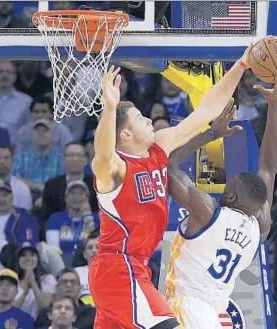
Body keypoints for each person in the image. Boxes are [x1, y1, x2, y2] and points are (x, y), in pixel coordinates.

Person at [89, 43, 252, 329]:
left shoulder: (159, 147)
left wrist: (241, 65)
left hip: (136, 268)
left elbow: (206, 110)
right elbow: (102, 154)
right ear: (126, 133)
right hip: (119, 267)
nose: (149, 119)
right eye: (141, 118)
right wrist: (110, 109)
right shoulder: (115, 168)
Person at [164, 79, 277, 328]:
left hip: (187, 306)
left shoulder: (208, 212)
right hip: (213, 314)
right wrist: (274, 104)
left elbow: (169, 166)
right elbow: (268, 167)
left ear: (231, 196)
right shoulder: (260, 228)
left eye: (228, 184)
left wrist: (212, 134)